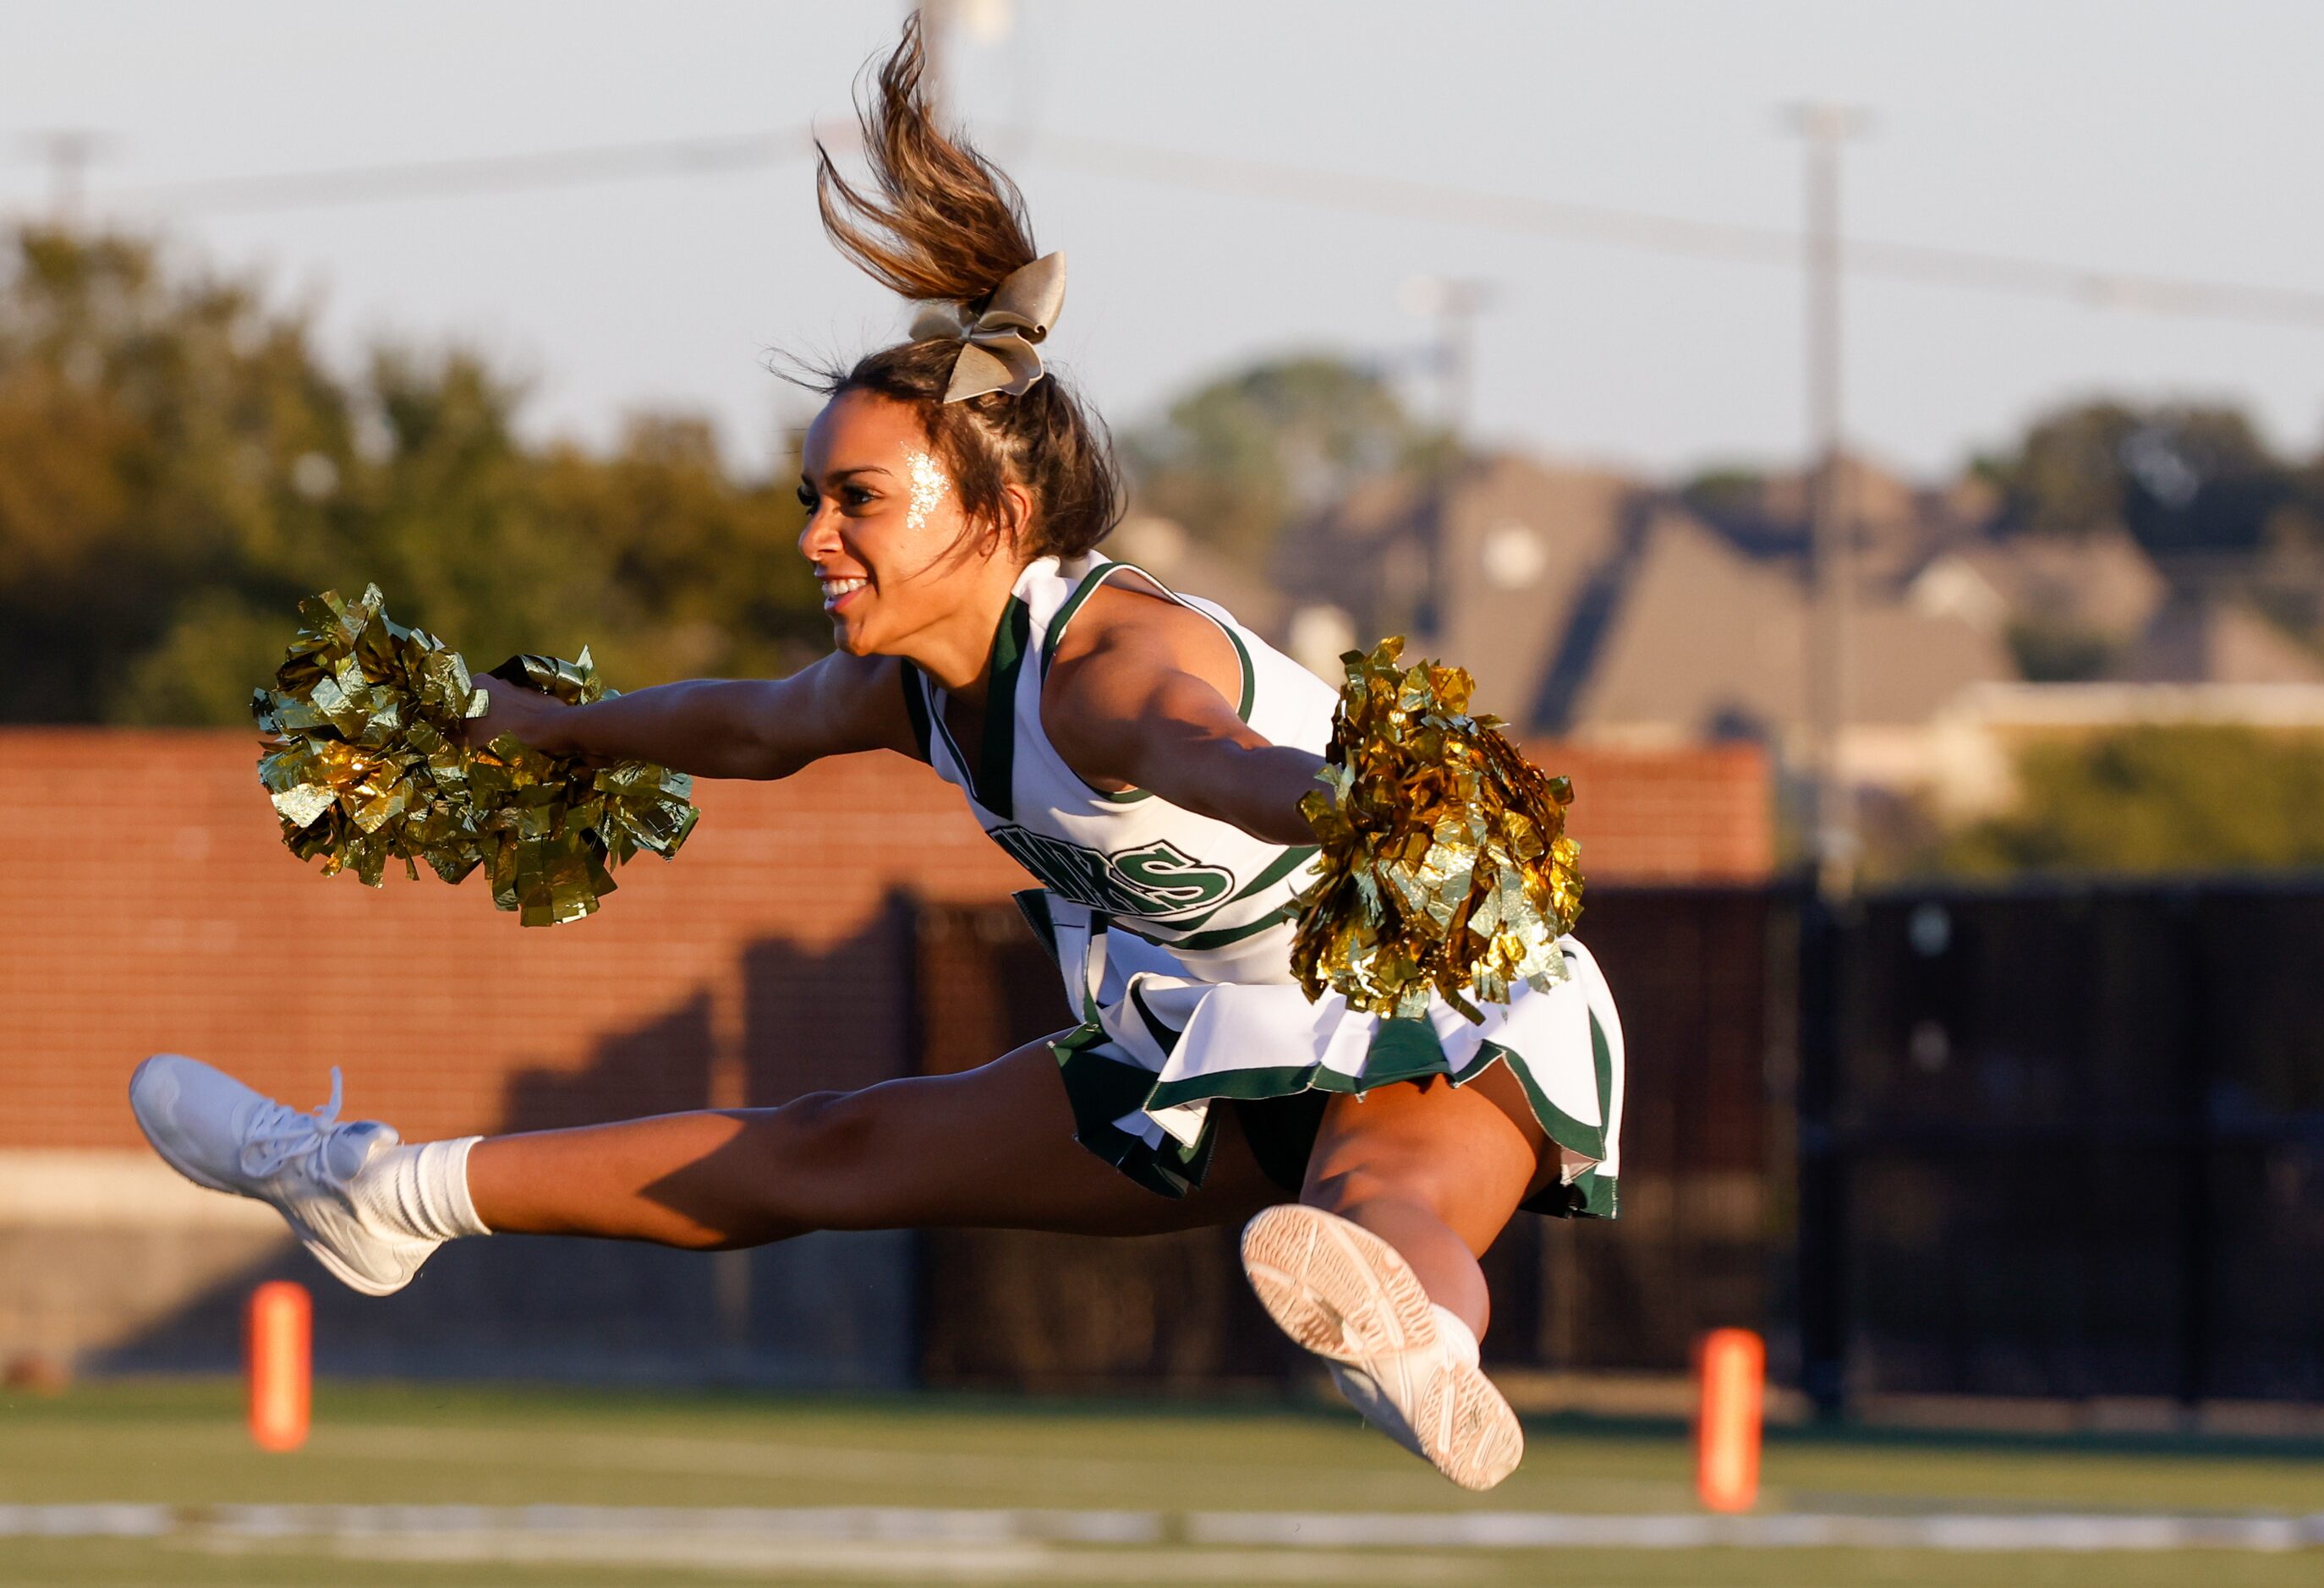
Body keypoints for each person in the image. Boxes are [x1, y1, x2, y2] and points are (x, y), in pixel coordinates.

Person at [127, 19, 1623, 1492]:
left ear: (996, 517)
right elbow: (733, 723)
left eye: (855, 499)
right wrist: (516, 725)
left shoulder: (1105, 670)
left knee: (1376, 1205)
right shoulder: (901, 687)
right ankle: (381, 1187)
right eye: (809, 494)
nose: (811, 535)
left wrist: (1362, 806)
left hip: (1439, 987)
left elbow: (1209, 751)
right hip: (1214, 1029)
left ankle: (1418, 1351)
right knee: (827, 1150)